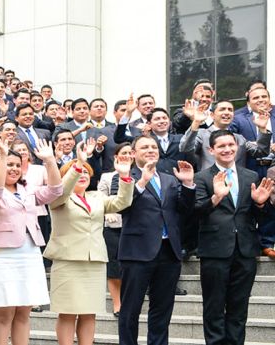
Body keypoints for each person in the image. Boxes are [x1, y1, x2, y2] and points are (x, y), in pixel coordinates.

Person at [0, 132, 64, 345]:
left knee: (24, 312)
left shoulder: (27, 189)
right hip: (3, 254)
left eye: (17, 164)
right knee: (5, 313)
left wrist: (50, 161)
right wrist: (3, 156)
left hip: (30, 251)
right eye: (8, 164)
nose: (14, 168)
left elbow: (56, 191)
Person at [45, 145, 134, 345]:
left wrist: (125, 176)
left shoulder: (97, 197)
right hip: (68, 261)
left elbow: (122, 202)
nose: (82, 174)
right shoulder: (59, 197)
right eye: (78, 172)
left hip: (94, 261)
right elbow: (62, 191)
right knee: (68, 313)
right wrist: (77, 163)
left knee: (89, 313)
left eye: (86, 171)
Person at [193, 129, 275, 345]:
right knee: (214, 308)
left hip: (245, 250)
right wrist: (216, 198)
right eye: (221, 146)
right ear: (211, 150)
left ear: (236, 147)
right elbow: (196, 212)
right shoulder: (202, 177)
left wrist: (260, 203)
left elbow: (260, 216)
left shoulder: (250, 176)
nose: (227, 149)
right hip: (215, 250)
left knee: (239, 309)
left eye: (230, 145)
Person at [116, 135, 197, 345]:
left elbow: (185, 210)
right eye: (145, 147)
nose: (151, 150)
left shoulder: (170, 178)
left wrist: (188, 184)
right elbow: (122, 206)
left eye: (154, 146)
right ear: (134, 153)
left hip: (169, 251)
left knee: (162, 310)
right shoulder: (125, 175)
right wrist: (142, 180)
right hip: (137, 252)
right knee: (130, 310)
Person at [97, 143, 134, 315]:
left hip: (133, 225)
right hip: (112, 226)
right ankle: (117, 304)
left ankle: (129, 301)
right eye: (123, 153)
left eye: (129, 153)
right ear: (116, 157)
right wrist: (106, 214)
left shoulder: (139, 175)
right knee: (114, 267)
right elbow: (100, 199)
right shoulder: (107, 177)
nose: (126, 156)